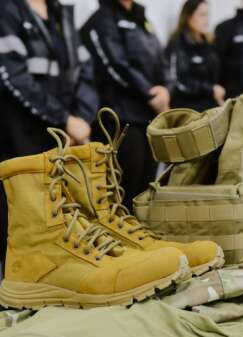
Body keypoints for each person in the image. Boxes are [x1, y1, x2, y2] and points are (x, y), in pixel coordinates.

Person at [0, 0, 98, 266]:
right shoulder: (0, 12)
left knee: (64, 240)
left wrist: (80, 119)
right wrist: (64, 120)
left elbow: (85, 72)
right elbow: (14, 79)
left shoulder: (61, 13)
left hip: (63, 144)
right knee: (23, 246)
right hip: (18, 144)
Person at [81, 0, 169, 209]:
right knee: (121, 194)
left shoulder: (142, 19)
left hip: (149, 119)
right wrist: (149, 93)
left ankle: (140, 231)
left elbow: (162, 60)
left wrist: (165, 90)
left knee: (145, 193)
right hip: (120, 121)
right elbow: (113, 65)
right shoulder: (100, 21)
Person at [166, 0, 224, 111]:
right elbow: (177, 82)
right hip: (187, 110)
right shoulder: (177, 43)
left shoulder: (209, 44)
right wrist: (210, 89)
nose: (206, 20)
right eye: (202, 15)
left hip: (211, 109)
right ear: (188, 17)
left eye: (207, 15)